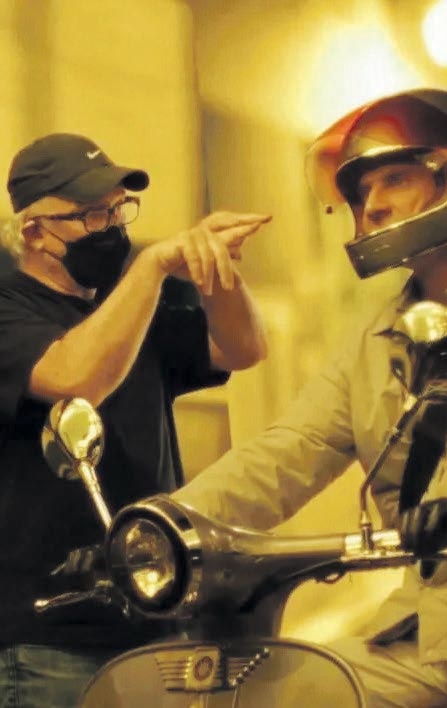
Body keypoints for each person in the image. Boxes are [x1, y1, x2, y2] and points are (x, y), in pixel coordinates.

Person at [174, 89, 447, 707]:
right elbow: (290, 449)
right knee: (286, 695)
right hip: (427, 624)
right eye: (362, 193)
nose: (373, 205)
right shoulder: (376, 338)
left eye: (396, 180)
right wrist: (165, 523)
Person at [0, 132, 270, 707]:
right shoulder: (9, 307)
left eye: (119, 209)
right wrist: (150, 267)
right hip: (48, 640)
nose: (113, 228)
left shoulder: (132, 304)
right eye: (91, 216)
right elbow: (75, 379)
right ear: (35, 232)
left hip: (155, 620)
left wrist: (215, 271)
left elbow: (242, 348)